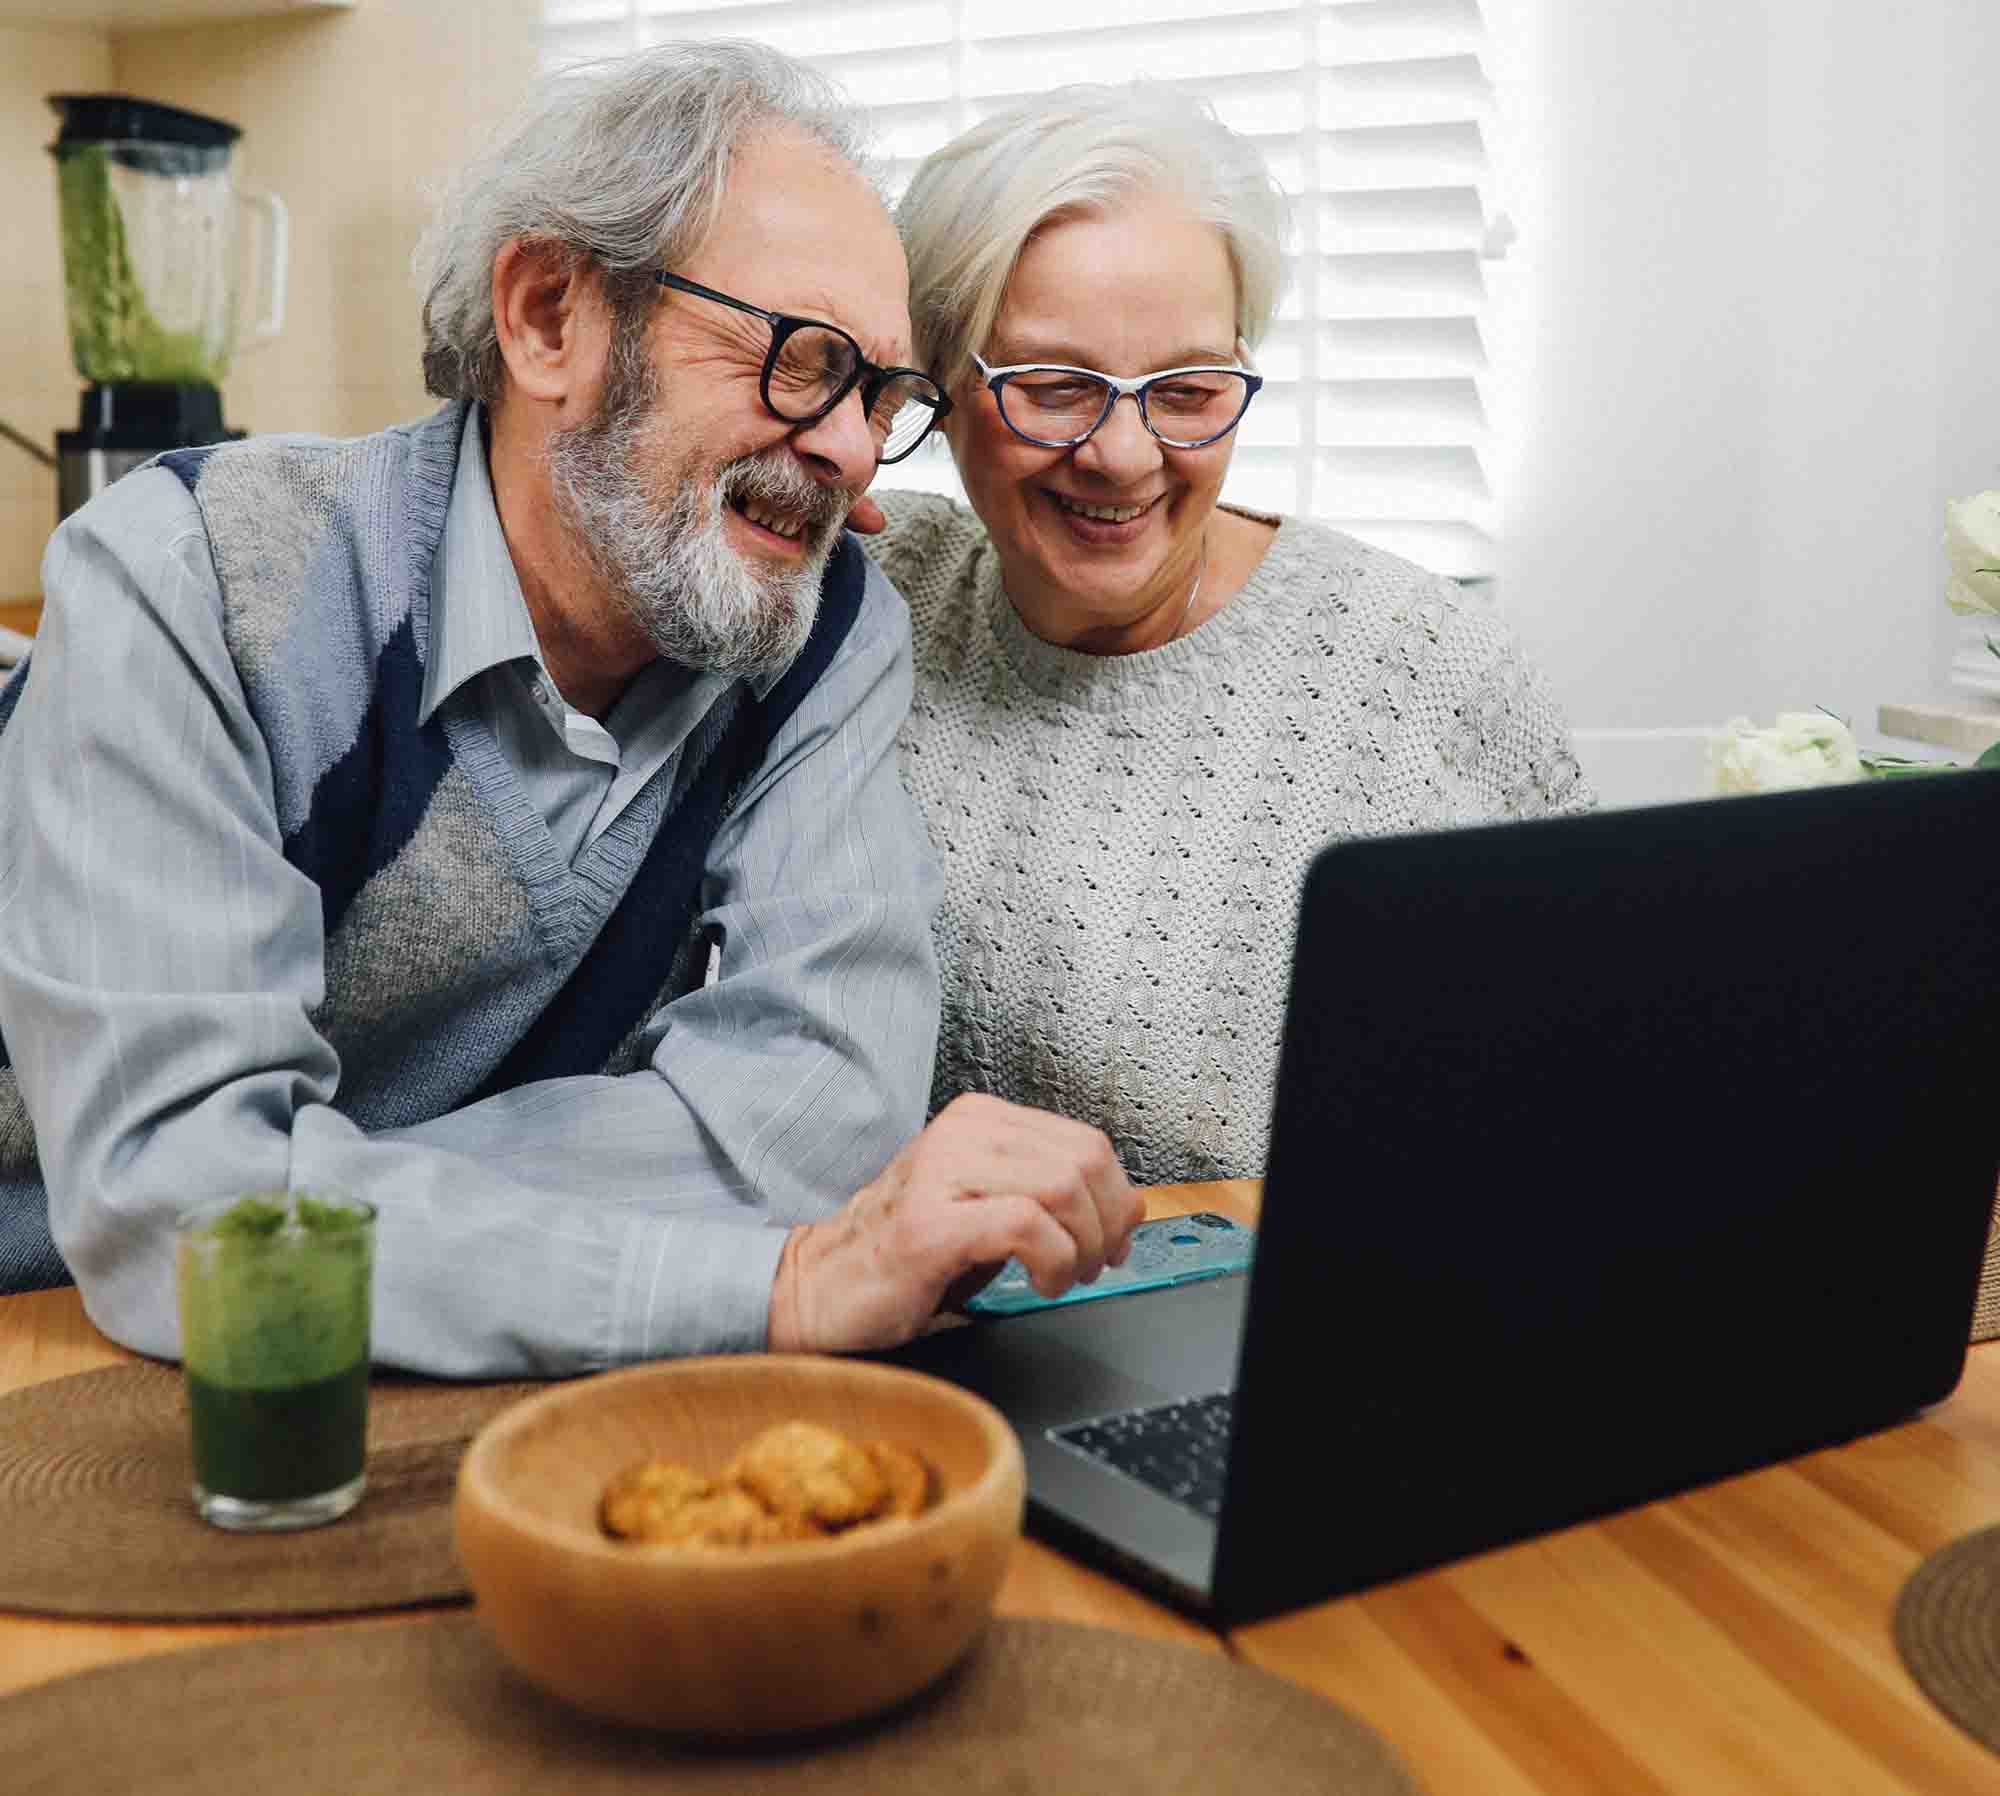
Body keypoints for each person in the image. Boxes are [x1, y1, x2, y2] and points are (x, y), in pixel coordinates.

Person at [0, 43, 1140, 1373]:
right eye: (801, 359)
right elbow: (173, 1214)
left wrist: (310, 1189)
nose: (843, 446)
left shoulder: (821, 630)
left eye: (878, 396)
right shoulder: (190, 572)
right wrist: (755, 1275)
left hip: (386, 1360)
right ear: (549, 317)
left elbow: (821, 1116)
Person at [863, 84, 1595, 1187]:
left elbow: (1591, 1072)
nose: (1121, 454)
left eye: (1188, 388)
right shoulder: (868, 596)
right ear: (939, 387)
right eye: (1054, 388)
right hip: (926, 1317)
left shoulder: (1423, 665)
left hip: (1314, 1312)